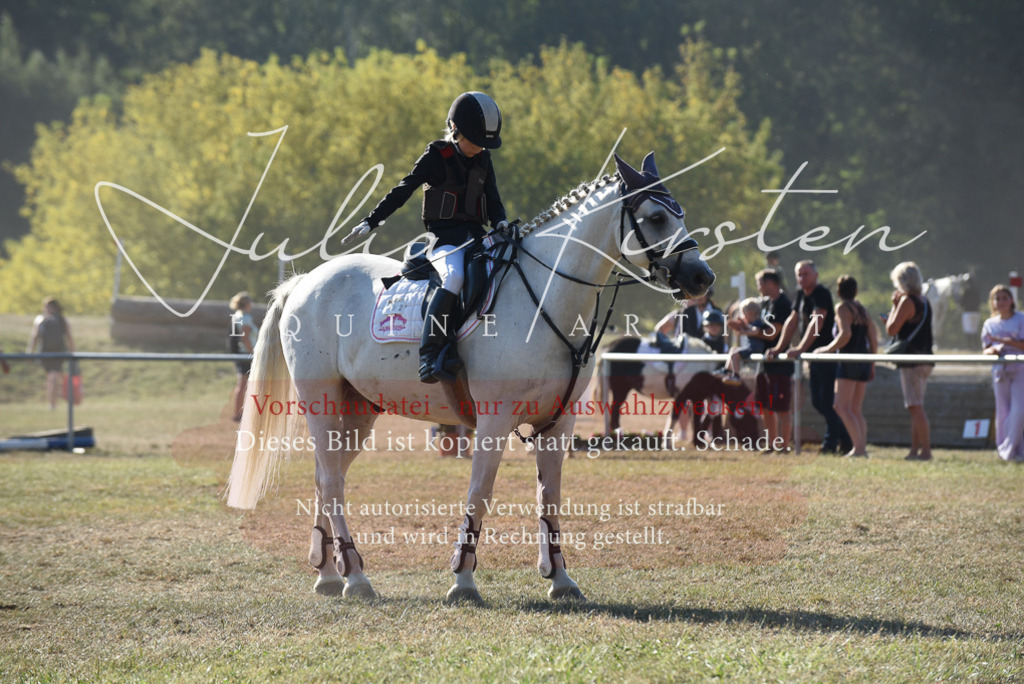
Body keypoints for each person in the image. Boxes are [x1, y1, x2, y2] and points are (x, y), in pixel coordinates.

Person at [343, 92, 508, 384]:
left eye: (484, 143)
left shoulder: (484, 159)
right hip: (443, 240)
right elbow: (404, 189)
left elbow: (493, 201)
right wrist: (371, 220)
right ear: (455, 130)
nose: (480, 147)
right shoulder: (437, 156)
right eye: (475, 139)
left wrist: (503, 222)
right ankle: (430, 354)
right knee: (454, 278)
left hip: (477, 238)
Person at [767, 260, 851, 454]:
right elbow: (792, 320)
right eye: (799, 274)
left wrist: (799, 348)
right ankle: (844, 437)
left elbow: (817, 322)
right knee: (818, 402)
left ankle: (833, 442)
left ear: (816, 275)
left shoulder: (821, 294)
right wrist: (779, 347)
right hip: (813, 357)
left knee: (827, 401)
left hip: (825, 356)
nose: (801, 278)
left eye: (805, 274)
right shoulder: (799, 294)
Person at [818, 275, 878, 457]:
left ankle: (859, 449)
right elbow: (873, 339)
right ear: (856, 291)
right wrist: (872, 364)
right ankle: (860, 448)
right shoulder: (863, 309)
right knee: (855, 409)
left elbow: (846, 334)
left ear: (838, 292)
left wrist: (827, 349)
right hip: (864, 360)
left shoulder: (842, 308)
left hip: (849, 360)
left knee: (841, 406)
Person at [885, 261, 934, 461]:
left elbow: (891, 329)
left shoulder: (907, 301)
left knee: (915, 406)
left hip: (912, 361)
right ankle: (915, 450)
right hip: (925, 358)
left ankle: (926, 451)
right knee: (916, 405)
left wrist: (894, 307)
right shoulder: (924, 300)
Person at [747, 270, 793, 451]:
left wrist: (749, 332)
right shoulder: (765, 303)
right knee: (765, 406)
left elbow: (774, 332)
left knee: (782, 407)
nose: (758, 287)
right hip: (765, 362)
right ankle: (772, 444)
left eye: (760, 283)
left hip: (780, 364)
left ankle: (785, 445)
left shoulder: (783, 304)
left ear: (770, 283)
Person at [981, 285, 1024, 462]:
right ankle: (1005, 450)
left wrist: (1004, 341)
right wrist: (993, 350)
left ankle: (1013, 448)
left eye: (1004, 298)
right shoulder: (989, 324)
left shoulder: (1020, 319)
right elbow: (985, 349)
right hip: (1000, 371)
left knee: (1018, 410)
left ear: (1011, 300)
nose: (1001, 302)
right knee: (1003, 412)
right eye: (997, 299)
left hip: (1020, 369)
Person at [27, 297, 74, 410]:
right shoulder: (44, 320)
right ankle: (52, 403)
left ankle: (53, 403)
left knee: (53, 377)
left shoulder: (58, 320)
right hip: (50, 352)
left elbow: (68, 336)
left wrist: (73, 352)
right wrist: (30, 351)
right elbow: (35, 336)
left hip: (54, 352)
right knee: (52, 377)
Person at [720, 298, 767, 384]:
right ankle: (727, 370)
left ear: (750, 313)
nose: (742, 316)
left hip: (755, 348)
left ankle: (736, 376)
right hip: (751, 347)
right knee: (733, 349)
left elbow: (756, 331)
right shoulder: (751, 324)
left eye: (743, 313)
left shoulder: (757, 323)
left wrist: (743, 332)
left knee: (734, 355)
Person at [230, 292, 260, 422]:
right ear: (247, 303)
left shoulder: (237, 316)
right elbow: (245, 337)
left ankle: (240, 413)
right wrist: (253, 353)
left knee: (243, 384)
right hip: (246, 354)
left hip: (242, 354)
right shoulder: (245, 317)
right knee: (244, 384)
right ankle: (239, 414)